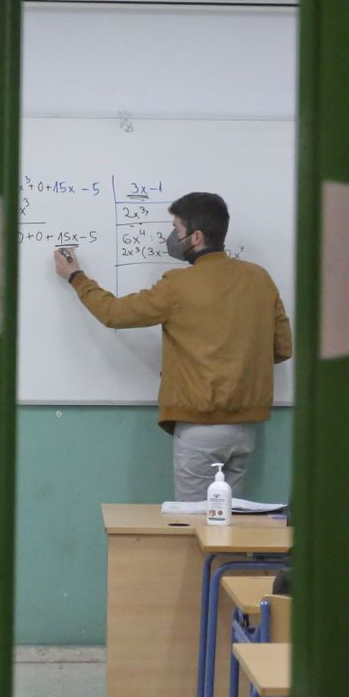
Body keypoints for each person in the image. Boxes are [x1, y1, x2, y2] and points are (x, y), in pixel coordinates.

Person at [53, 191, 292, 502]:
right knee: (227, 528)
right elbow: (283, 347)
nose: (172, 237)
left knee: (193, 530)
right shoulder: (259, 278)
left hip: (199, 430)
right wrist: (236, 361)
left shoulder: (179, 285)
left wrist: (75, 277)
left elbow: (113, 314)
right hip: (245, 429)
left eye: (177, 230)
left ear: (196, 236)